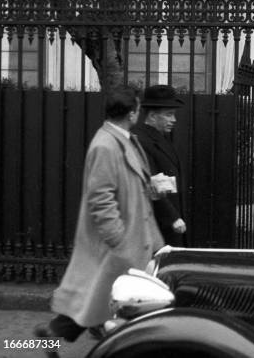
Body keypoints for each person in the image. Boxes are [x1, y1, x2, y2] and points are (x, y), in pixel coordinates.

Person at [34, 85, 164, 349]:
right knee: (111, 296)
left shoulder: (122, 139)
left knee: (100, 296)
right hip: (121, 241)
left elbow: (124, 184)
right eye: (138, 108)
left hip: (132, 235)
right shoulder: (106, 145)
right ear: (131, 113)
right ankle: (60, 335)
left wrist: (150, 189)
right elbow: (100, 197)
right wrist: (118, 239)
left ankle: (60, 333)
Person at [133, 85, 187, 246]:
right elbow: (151, 182)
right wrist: (173, 217)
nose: (174, 120)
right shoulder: (142, 140)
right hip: (158, 222)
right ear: (153, 115)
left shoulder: (159, 138)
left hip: (167, 221)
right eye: (169, 115)